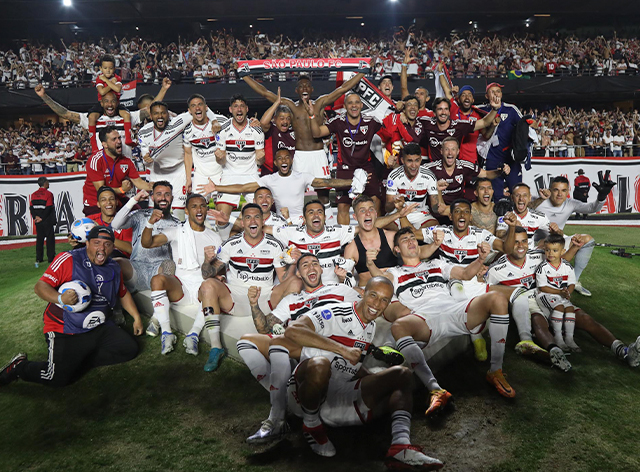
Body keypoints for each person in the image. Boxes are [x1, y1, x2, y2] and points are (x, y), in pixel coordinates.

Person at [284, 276, 445, 469]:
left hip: (337, 395)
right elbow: (293, 330)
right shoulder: (335, 311)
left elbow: (350, 364)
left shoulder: (370, 326)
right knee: (321, 364)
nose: (377, 304)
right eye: (374, 295)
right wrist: (343, 349)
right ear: (363, 293)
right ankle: (311, 425)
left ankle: (400, 447)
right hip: (303, 394)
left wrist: (374, 379)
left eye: (384, 300)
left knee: (401, 375)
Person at [369, 227, 515, 399]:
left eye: (412, 238)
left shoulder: (437, 263)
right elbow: (379, 283)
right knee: (400, 326)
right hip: (425, 318)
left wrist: (480, 259)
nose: (410, 241)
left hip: (453, 310)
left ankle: (495, 370)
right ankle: (435, 389)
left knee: (497, 298)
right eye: (404, 240)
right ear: (397, 250)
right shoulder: (395, 272)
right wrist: (370, 263)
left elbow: (465, 274)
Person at [238, 253, 361, 443]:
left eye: (315, 264)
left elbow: (365, 303)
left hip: (331, 345)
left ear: (321, 269)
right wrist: (254, 304)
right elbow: (264, 327)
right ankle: (283, 395)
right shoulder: (291, 300)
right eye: (305, 265)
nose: (311, 268)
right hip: (300, 345)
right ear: (299, 274)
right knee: (246, 341)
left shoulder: (339, 289)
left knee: (280, 344)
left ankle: (277, 416)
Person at [0, 227, 144, 388]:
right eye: (97, 243)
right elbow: (40, 287)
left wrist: (136, 318)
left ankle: (78, 361)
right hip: (66, 330)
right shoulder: (68, 259)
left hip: (99, 326)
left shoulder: (114, 267)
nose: (102, 248)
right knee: (56, 378)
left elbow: (122, 293)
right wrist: (60, 298)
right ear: (87, 243)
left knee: (129, 349)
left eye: (107, 244)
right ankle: (19, 367)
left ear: (113, 247)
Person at [243, 72, 365, 222]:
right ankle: (296, 224)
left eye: (307, 85)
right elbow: (264, 92)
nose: (304, 88)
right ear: (297, 91)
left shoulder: (319, 103)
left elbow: (342, 89)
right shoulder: (291, 107)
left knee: (323, 195)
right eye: (301, 86)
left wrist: (361, 73)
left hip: (318, 154)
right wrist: (244, 76)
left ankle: (329, 225)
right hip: (300, 156)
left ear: (312, 89)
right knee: (297, 193)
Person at [195, 203, 300, 371]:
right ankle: (216, 347)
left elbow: (283, 279)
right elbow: (207, 274)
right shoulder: (230, 243)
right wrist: (207, 261)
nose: (253, 220)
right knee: (207, 285)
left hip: (264, 297)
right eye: (248, 217)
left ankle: (284, 337)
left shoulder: (275, 245)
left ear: (262, 221)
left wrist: (293, 264)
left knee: (295, 282)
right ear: (242, 222)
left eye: (257, 217)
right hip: (236, 298)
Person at [140, 194, 223, 357]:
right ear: (186, 211)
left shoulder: (214, 237)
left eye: (202, 206)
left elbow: (218, 266)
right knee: (157, 280)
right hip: (181, 286)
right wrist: (150, 223)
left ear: (206, 209)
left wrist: (219, 276)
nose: (199, 209)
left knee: (213, 287)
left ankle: (193, 334)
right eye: (194, 206)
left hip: (202, 285)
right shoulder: (177, 231)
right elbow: (147, 243)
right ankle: (166, 333)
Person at [200, 148, 355, 224]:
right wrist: (217, 188)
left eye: (286, 157)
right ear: (275, 163)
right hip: (277, 223)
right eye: (279, 158)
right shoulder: (269, 179)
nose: (283, 160)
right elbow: (243, 188)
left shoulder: (302, 177)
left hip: (301, 222)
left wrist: (353, 182)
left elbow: (328, 183)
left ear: (291, 160)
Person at [305, 93, 384, 224]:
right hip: (345, 168)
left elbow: (388, 134)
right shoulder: (338, 122)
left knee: (375, 201)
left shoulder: (371, 122)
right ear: (345, 106)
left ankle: (377, 234)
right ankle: (345, 240)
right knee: (343, 206)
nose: (354, 106)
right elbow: (316, 133)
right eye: (350, 103)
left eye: (357, 103)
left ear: (361, 105)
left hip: (366, 167)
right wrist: (312, 116)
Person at [534, 174, 616, 296]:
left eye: (563, 190)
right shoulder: (539, 201)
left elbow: (591, 208)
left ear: (568, 191)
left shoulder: (570, 203)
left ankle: (574, 280)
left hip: (556, 240)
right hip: (535, 245)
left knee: (587, 240)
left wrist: (602, 196)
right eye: (556, 190)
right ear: (550, 190)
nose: (559, 194)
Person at [139, 100, 218, 221]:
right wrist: (147, 160)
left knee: (179, 215)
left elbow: (202, 108)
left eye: (163, 113)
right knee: (156, 214)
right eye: (156, 113)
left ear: (168, 114)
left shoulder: (178, 122)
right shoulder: (143, 132)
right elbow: (146, 161)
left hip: (178, 172)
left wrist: (215, 121)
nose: (160, 116)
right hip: (157, 173)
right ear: (151, 116)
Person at [110, 181, 181, 302]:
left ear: (172, 198)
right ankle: (117, 307)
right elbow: (115, 224)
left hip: (159, 269)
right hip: (137, 267)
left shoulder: (177, 224)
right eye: (159, 194)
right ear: (152, 197)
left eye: (167, 194)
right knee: (115, 264)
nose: (163, 198)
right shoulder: (140, 215)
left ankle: (159, 313)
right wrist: (134, 199)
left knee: (169, 264)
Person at [425, 137, 509, 223]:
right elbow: (415, 173)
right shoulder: (430, 168)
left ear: (458, 152)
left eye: (453, 149)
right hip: (438, 212)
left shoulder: (464, 165)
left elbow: (486, 174)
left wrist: (500, 172)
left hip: (458, 210)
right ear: (441, 151)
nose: (450, 152)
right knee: (440, 207)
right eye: (447, 149)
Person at [213, 94, 265, 219]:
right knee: (221, 218)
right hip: (229, 175)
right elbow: (221, 161)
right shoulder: (223, 129)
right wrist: (219, 157)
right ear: (231, 110)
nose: (239, 109)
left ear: (247, 109)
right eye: (235, 106)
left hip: (251, 175)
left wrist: (261, 157)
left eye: (242, 106)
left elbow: (260, 161)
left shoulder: (256, 130)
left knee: (258, 215)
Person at [83, 126, 152, 216]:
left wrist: (153, 187)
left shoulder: (126, 161)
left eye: (119, 138)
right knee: (105, 227)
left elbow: (138, 182)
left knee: (139, 216)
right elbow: (101, 190)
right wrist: (122, 190)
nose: (119, 141)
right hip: (96, 203)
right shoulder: (96, 160)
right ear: (105, 144)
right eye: (114, 139)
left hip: (117, 200)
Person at [418, 95, 500, 163]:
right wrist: (404, 116)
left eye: (446, 109)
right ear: (434, 112)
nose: (443, 112)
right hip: (434, 169)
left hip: (454, 170)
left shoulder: (458, 125)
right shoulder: (426, 123)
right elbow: (410, 119)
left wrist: (495, 109)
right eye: (440, 109)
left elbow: (484, 122)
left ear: (449, 112)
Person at [478, 83, 524, 199]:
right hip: (491, 158)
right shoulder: (479, 110)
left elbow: (524, 124)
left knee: (517, 192)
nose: (496, 94)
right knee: (496, 195)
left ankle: (517, 217)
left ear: (501, 94)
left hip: (510, 158)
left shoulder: (511, 109)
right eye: (492, 92)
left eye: (498, 91)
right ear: (486, 96)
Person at [535, 233, 579, 352]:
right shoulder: (542, 267)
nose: (550, 253)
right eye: (547, 250)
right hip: (544, 295)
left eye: (555, 250)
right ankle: (558, 338)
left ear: (562, 251)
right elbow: (543, 287)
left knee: (570, 309)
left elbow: (571, 283)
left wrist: (567, 293)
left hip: (561, 294)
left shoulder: (567, 266)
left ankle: (569, 338)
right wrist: (560, 292)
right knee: (559, 307)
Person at [385, 142, 446, 228]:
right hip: (397, 213)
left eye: (417, 160)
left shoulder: (429, 176)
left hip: (420, 214)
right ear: (402, 161)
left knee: (435, 229)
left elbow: (435, 209)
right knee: (389, 229)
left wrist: (438, 193)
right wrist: (394, 203)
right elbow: (388, 208)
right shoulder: (394, 176)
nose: (414, 165)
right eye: (409, 161)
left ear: (421, 159)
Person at [87, 55, 134, 153]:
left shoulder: (118, 78)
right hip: (102, 104)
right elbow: (102, 92)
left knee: (126, 115)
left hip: (115, 104)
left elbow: (117, 89)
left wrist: (106, 81)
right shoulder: (99, 79)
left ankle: (128, 138)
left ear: (114, 68)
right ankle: (94, 145)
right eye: (105, 68)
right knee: (91, 118)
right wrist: (110, 82)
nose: (108, 70)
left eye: (110, 68)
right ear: (100, 68)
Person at [182, 94, 226, 198]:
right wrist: (188, 179)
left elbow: (237, 125)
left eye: (200, 104)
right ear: (189, 110)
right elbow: (188, 154)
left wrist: (253, 122)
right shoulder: (187, 129)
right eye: (193, 106)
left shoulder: (221, 121)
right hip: (200, 175)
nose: (197, 108)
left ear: (206, 107)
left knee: (222, 208)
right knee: (197, 206)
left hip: (221, 172)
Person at [258, 87, 296, 175]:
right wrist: (276, 103)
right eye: (282, 118)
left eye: (288, 119)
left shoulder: (294, 133)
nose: (285, 122)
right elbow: (263, 123)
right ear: (275, 119)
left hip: (289, 175)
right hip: (269, 173)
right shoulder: (271, 130)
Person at [88, 186, 133, 259]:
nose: (108, 202)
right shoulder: (90, 221)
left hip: (121, 260)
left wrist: (103, 236)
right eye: (103, 200)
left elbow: (131, 249)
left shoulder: (126, 221)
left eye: (111, 199)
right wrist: (75, 242)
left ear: (117, 202)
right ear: (98, 204)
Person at [29, 176, 56, 267]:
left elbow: (31, 207)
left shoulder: (33, 194)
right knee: (50, 239)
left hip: (38, 220)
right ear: (44, 183)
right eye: (48, 182)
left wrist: (35, 217)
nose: (49, 184)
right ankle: (50, 257)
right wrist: (42, 217)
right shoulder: (49, 194)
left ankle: (39, 257)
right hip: (46, 219)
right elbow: (48, 207)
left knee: (39, 239)